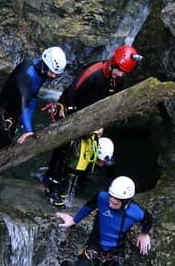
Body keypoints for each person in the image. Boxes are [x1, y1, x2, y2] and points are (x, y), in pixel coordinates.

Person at [43, 45, 141, 204]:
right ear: (113, 64)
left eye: (124, 72)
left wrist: (102, 124)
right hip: (72, 109)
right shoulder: (93, 73)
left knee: (85, 152)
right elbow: (71, 93)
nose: (121, 75)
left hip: (92, 116)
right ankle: (51, 185)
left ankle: (70, 183)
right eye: (120, 71)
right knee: (63, 150)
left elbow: (112, 103)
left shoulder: (117, 81)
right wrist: (70, 118)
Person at [0, 46, 67, 154]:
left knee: (8, 145)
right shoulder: (26, 75)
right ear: (46, 65)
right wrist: (28, 130)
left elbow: (32, 98)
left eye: (56, 74)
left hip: (13, 113)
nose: (54, 76)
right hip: (1, 113)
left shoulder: (41, 73)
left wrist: (26, 124)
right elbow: (23, 103)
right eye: (53, 72)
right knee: (1, 148)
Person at [44, 131, 117, 207]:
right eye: (99, 161)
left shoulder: (108, 159)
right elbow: (58, 164)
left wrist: (112, 194)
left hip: (84, 169)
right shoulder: (81, 152)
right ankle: (51, 187)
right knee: (62, 168)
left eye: (103, 162)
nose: (101, 164)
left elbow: (111, 177)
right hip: (66, 164)